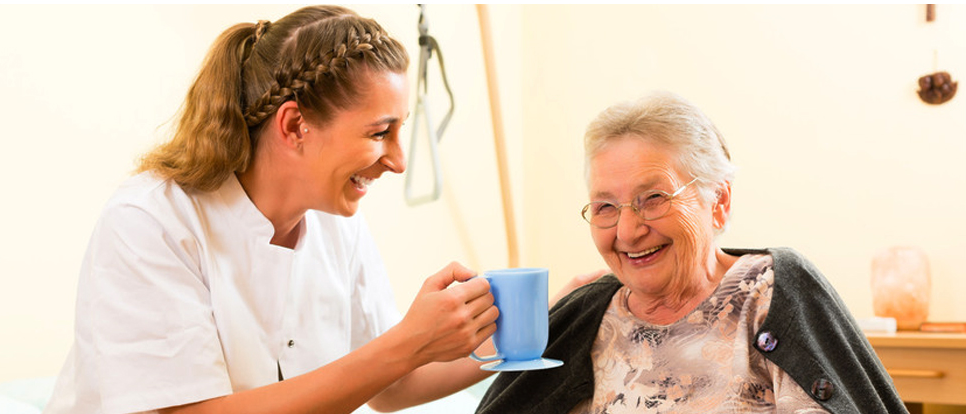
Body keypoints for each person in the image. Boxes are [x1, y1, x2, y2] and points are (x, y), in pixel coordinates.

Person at [44, 6, 505, 414]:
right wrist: (407, 344)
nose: (398, 160)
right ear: (295, 125)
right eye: (379, 133)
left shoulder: (337, 224)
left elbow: (393, 386)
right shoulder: (150, 222)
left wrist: (549, 321)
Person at [476, 92, 908, 414]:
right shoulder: (587, 314)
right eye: (606, 206)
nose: (628, 230)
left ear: (718, 201)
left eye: (654, 198)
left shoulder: (770, 294)